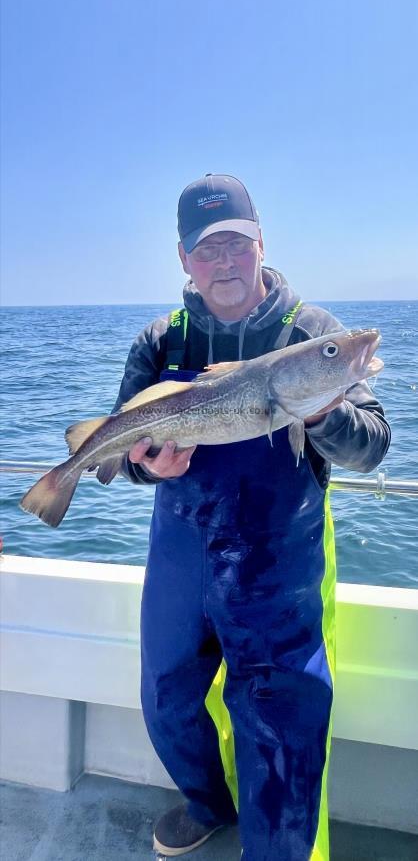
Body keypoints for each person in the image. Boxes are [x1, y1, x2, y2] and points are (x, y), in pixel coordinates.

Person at [112, 174, 390, 860]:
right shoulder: (159, 341)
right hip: (182, 555)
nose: (226, 263)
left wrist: (325, 410)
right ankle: (208, 803)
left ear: (261, 242)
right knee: (169, 697)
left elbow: (374, 446)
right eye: (209, 251)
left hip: (278, 565)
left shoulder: (316, 335)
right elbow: (119, 454)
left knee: (280, 723)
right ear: (184, 260)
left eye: (237, 243)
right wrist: (146, 464)